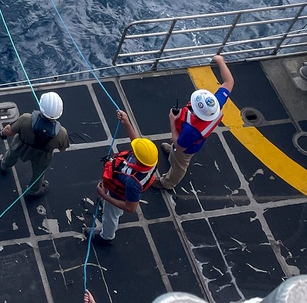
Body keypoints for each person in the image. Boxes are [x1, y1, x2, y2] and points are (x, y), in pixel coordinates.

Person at [152, 54, 234, 191]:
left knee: (180, 164)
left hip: (185, 148)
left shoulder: (192, 130)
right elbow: (228, 82)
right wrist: (221, 61)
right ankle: (171, 155)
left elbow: (180, 145)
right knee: (174, 150)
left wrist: (172, 121)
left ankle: (167, 183)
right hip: (183, 139)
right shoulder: (215, 105)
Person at [94, 110, 159, 245]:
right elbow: (138, 146)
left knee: (110, 216)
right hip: (119, 188)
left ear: (137, 159)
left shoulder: (133, 182)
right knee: (114, 211)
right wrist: (127, 124)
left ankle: (106, 237)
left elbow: (130, 208)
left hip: (119, 196)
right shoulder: (150, 159)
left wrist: (105, 196)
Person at [0, 91, 70, 197]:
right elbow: (63, 149)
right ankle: (33, 191)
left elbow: (9, 131)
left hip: (21, 145)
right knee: (38, 174)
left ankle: (4, 166)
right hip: (42, 156)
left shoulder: (26, 119)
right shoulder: (62, 133)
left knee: (12, 154)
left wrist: (2, 133)